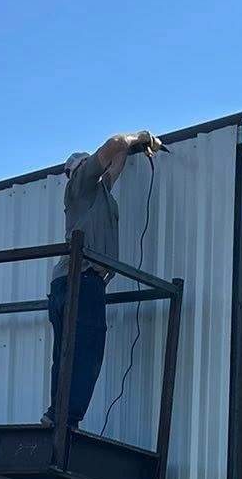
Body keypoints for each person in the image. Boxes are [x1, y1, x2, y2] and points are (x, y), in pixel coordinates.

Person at [43, 130, 163, 429]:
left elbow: (117, 162)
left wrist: (137, 146)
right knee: (85, 350)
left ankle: (56, 415)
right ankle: (64, 419)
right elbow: (113, 146)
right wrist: (140, 135)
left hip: (80, 280)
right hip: (79, 278)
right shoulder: (81, 184)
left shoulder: (100, 194)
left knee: (71, 351)